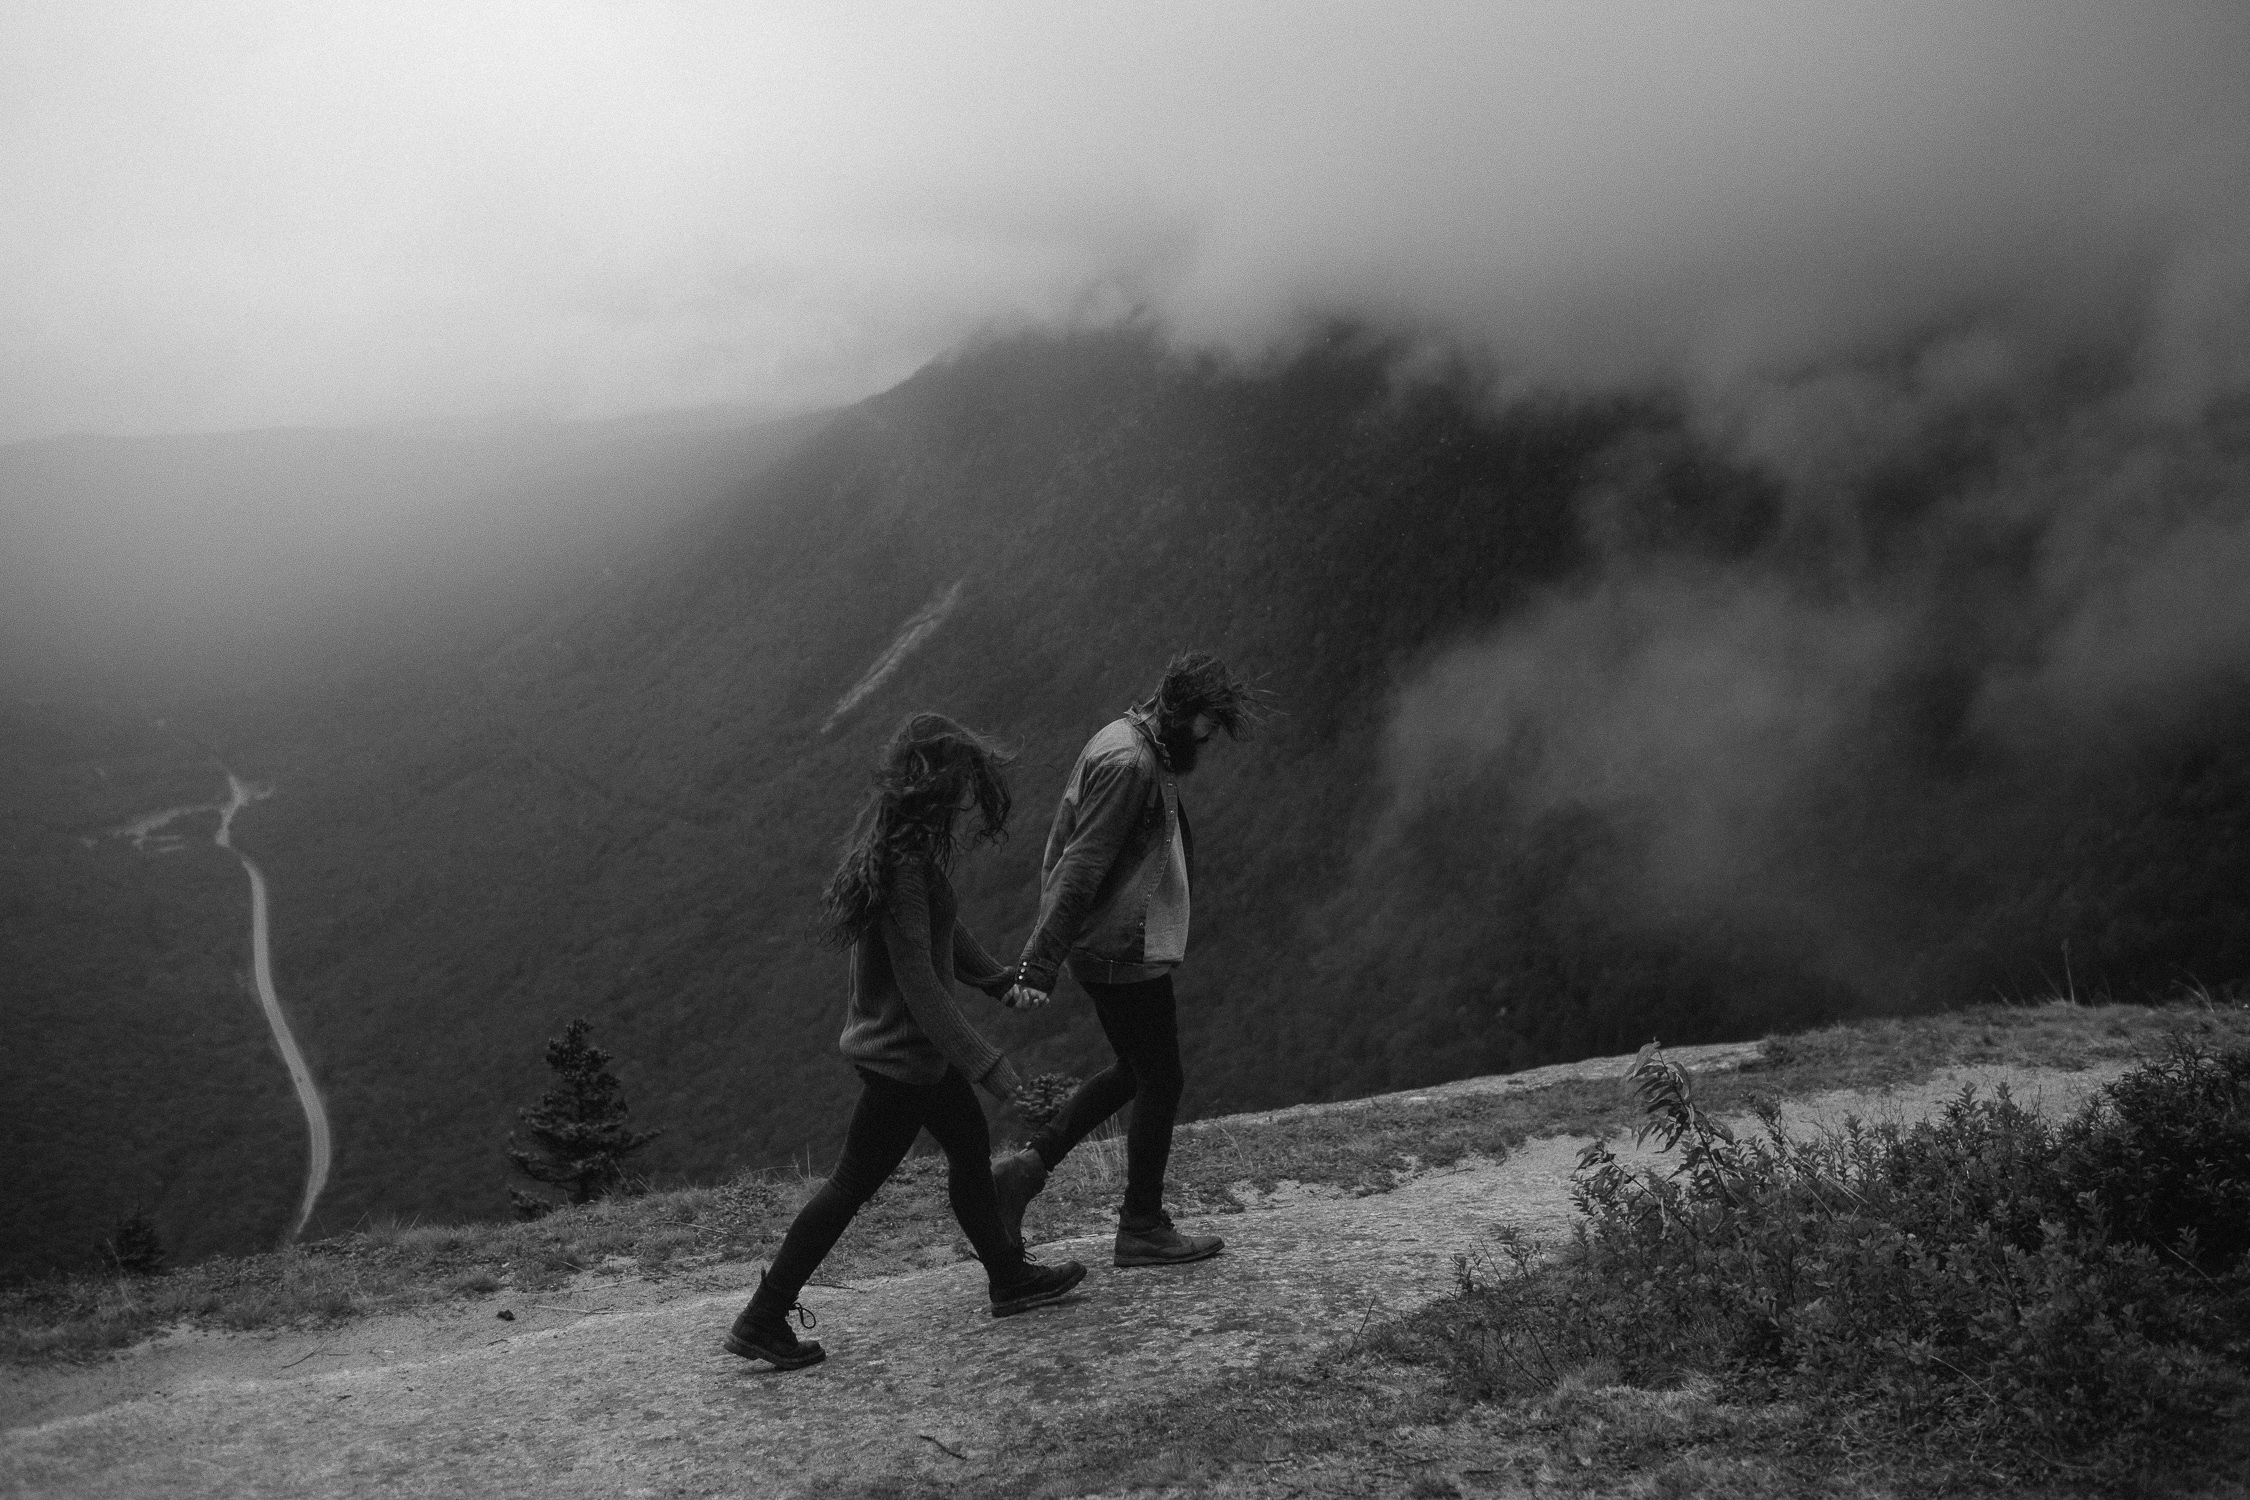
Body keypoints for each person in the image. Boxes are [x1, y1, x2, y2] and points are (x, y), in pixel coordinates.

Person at [725, 713, 1085, 1370]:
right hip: (902, 1061)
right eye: (962, 784)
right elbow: (921, 983)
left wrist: (999, 981)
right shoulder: (903, 864)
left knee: (969, 1150)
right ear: (937, 784)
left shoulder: (901, 847)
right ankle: (763, 1314)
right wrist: (995, 1069)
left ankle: (1008, 1275)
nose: (968, 799)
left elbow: (943, 936)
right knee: (851, 1184)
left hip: (914, 1056)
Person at [991, 651, 1260, 1268]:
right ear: (1179, 710)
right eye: (1206, 723)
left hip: (1115, 943)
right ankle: (1141, 1224)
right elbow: (1081, 867)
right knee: (1161, 1079)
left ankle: (1024, 1173)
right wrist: (1039, 963)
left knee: (1136, 1071)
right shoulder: (1132, 763)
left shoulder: (1137, 741)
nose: (1210, 736)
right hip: (1118, 948)